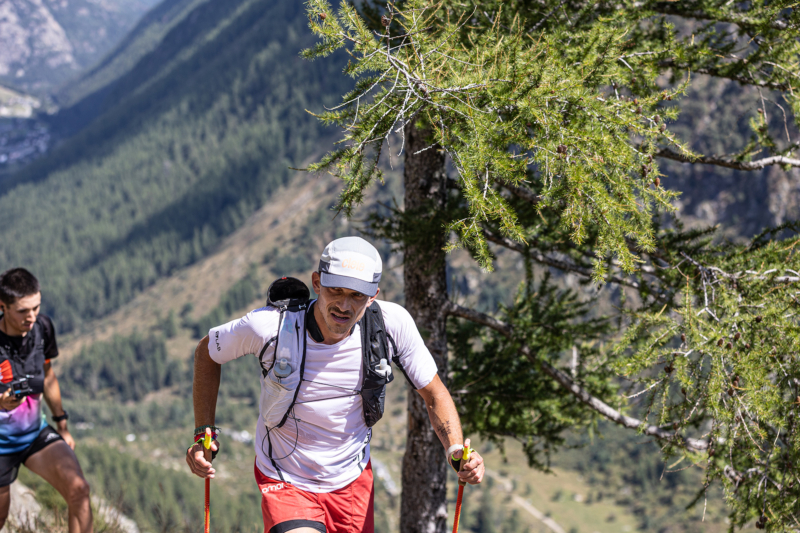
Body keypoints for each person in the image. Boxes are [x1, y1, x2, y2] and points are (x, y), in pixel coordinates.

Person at [186, 236, 484, 533]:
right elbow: (207, 353)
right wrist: (204, 433)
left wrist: (455, 449)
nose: (343, 305)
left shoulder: (392, 326)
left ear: (373, 295)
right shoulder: (270, 327)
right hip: (285, 478)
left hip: (352, 482)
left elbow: (434, 394)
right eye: (335, 290)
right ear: (317, 283)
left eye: (356, 295)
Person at [0, 268, 92, 533]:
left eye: (36, 307)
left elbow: (49, 377)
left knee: (79, 490)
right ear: (3, 306)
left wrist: (62, 424)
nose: (31, 317)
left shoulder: (42, 328)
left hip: (33, 434)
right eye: (23, 311)